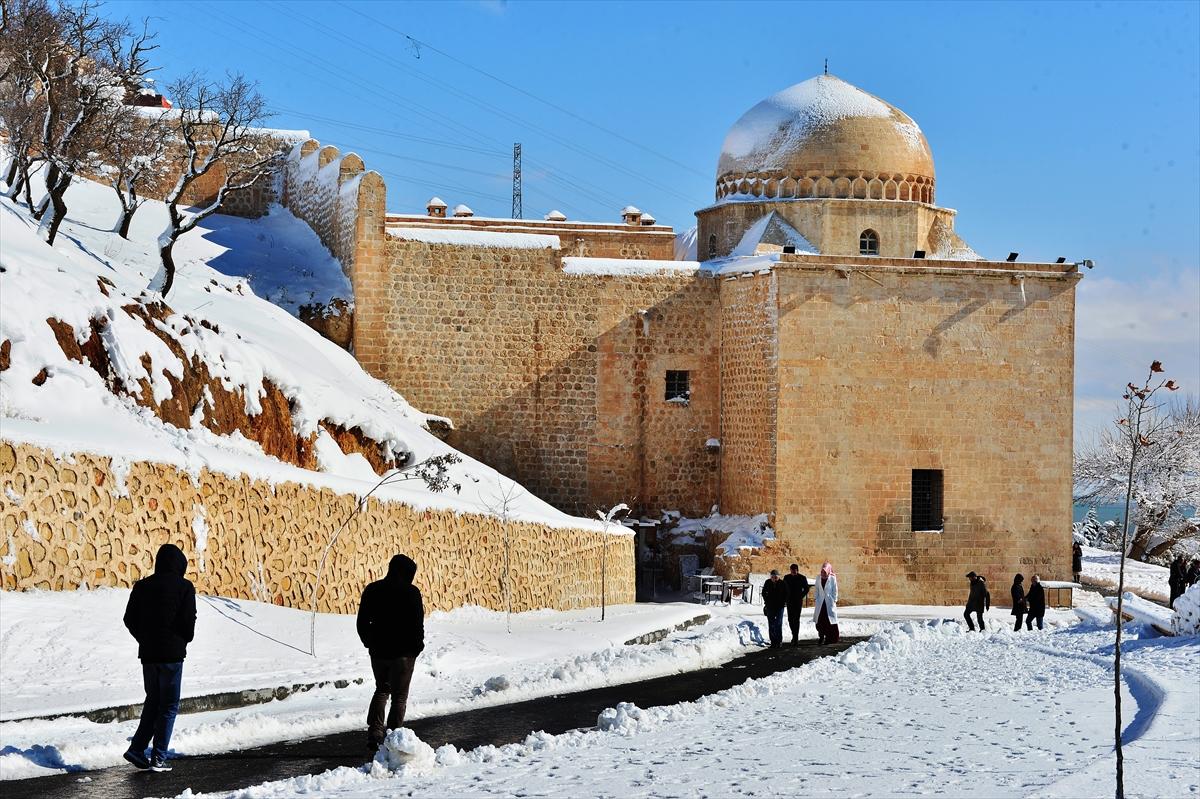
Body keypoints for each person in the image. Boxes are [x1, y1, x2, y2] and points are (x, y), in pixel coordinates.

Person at [122, 543, 196, 772]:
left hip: (148, 655)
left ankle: (137, 748)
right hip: (172, 656)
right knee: (169, 706)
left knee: (153, 702)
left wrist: (144, 639)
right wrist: (182, 639)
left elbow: (129, 618)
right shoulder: (184, 587)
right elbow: (188, 622)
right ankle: (158, 757)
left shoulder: (142, 586)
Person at [358, 554, 425, 751]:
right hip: (404, 654)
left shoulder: (373, 589)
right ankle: (394, 737)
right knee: (399, 697)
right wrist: (417, 647)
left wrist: (369, 641)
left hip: (379, 652)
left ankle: (375, 732)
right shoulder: (412, 592)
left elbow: (362, 621)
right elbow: (417, 624)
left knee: (381, 690)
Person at [812, 562, 839, 644]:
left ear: (828, 571)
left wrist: (834, 599)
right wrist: (816, 598)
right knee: (820, 621)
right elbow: (816, 588)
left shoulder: (832, 578)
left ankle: (829, 638)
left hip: (829, 603)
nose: (823, 573)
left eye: (825, 572)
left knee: (829, 621)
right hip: (820, 603)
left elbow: (835, 590)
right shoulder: (818, 578)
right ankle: (821, 636)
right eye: (822, 571)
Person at [783, 563, 810, 645]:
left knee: (796, 619)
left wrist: (801, 596)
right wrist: (785, 598)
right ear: (790, 570)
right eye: (792, 570)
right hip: (789, 601)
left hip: (798, 602)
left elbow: (806, 589)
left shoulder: (802, 578)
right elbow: (784, 588)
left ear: (797, 570)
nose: (794, 572)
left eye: (795, 570)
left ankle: (795, 638)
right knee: (790, 620)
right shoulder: (786, 577)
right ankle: (794, 635)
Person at [760, 569, 788, 648]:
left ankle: (779, 641)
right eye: (772, 577)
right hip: (770, 606)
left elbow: (787, 593)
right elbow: (763, 592)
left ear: (778, 577)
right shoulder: (768, 582)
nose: (774, 579)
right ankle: (773, 641)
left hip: (780, 606)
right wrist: (766, 600)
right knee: (771, 623)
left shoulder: (783, 583)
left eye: (775, 577)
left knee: (778, 623)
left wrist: (784, 602)